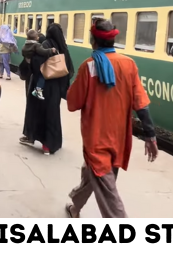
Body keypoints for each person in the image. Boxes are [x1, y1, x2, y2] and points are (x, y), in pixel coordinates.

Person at [65, 18, 158, 218]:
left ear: (93, 41)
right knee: (94, 174)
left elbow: (72, 103)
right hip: (119, 139)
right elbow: (141, 103)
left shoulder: (89, 67)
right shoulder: (129, 64)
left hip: (96, 139)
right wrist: (150, 136)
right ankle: (75, 205)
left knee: (107, 189)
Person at [20, 23, 73, 155]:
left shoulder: (44, 45)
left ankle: (31, 136)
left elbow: (35, 66)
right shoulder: (63, 48)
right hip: (54, 88)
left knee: (34, 112)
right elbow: (69, 70)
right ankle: (50, 144)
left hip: (40, 86)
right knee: (52, 115)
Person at [22, 29, 57, 99]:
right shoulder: (36, 45)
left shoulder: (25, 45)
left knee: (29, 88)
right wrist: (51, 50)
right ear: (36, 38)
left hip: (28, 67)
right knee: (42, 75)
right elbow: (43, 52)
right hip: (36, 68)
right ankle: (38, 89)